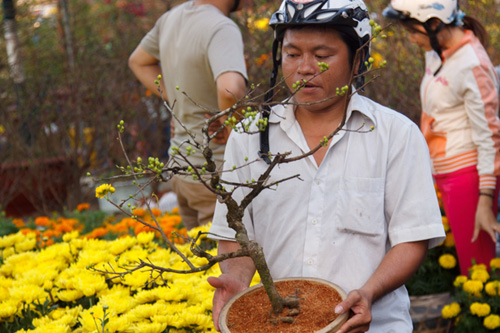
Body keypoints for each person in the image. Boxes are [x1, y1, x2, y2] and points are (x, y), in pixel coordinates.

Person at [207, 0, 446, 332]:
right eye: (292, 54)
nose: (305, 68)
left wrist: (368, 292)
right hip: (280, 324)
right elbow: (236, 234)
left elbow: (412, 238)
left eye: (322, 56)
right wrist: (235, 280)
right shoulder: (249, 136)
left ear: (358, 57)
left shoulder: (396, 135)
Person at [383, 0, 500, 275]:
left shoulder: (472, 65)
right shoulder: (438, 52)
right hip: (444, 171)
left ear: (435, 24)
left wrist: (485, 199)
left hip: (468, 176)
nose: (411, 39)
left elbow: (490, 136)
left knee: (477, 269)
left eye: (414, 31)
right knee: (463, 263)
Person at [128, 0, 249, 230]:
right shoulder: (221, 27)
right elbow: (230, 89)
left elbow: (138, 62)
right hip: (216, 174)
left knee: (200, 259)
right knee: (228, 262)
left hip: (181, 168)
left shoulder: (171, 19)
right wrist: (236, 135)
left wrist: (178, 102)